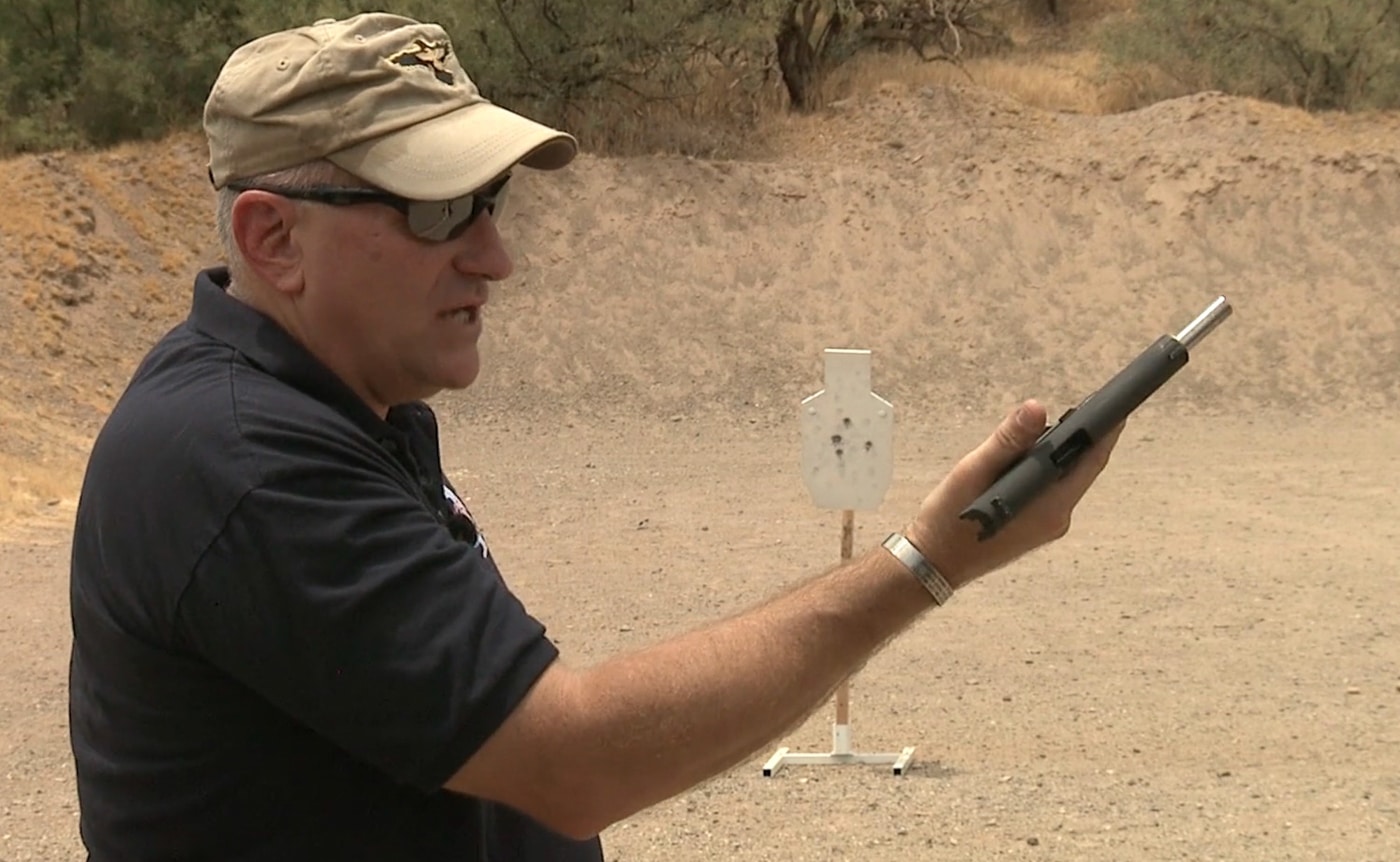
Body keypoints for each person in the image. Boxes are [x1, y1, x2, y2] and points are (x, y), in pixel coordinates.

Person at [66, 11, 1124, 862]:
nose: (494, 256)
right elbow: (569, 757)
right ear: (271, 236)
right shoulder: (248, 460)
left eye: (492, 201)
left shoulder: (343, 414)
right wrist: (925, 564)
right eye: (439, 211)